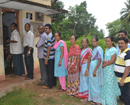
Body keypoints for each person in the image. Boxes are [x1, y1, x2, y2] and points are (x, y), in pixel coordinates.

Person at [101, 37, 121, 105]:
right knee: (105, 84)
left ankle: (111, 101)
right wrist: (103, 62)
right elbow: (105, 58)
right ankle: (105, 100)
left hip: (110, 70)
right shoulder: (106, 49)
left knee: (110, 85)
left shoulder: (114, 50)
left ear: (112, 42)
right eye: (106, 41)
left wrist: (104, 65)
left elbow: (112, 61)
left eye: (108, 41)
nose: (107, 42)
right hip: (105, 70)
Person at [114, 37, 130, 105]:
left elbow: (128, 67)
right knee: (123, 93)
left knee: (126, 94)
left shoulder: (127, 54)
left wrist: (123, 79)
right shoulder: (121, 52)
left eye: (122, 43)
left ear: (126, 44)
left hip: (125, 79)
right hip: (119, 78)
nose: (120, 45)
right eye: (119, 43)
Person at [88, 37, 103, 105]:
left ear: (97, 41)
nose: (93, 43)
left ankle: (98, 101)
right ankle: (94, 99)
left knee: (97, 85)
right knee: (93, 84)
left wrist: (95, 70)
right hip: (92, 68)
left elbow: (99, 60)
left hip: (95, 69)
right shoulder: (94, 49)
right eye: (92, 41)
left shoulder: (99, 49)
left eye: (94, 41)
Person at [42, 24, 56, 89]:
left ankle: (49, 85)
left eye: (46, 28)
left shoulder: (49, 37)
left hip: (50, 57)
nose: (45, 29)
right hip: (51, 57)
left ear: (50, 29)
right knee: (51, 70)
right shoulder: (49, 36)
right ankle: (53, 83)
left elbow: (49, 48)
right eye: (45, 28)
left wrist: (46, 58)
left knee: (49, 71)